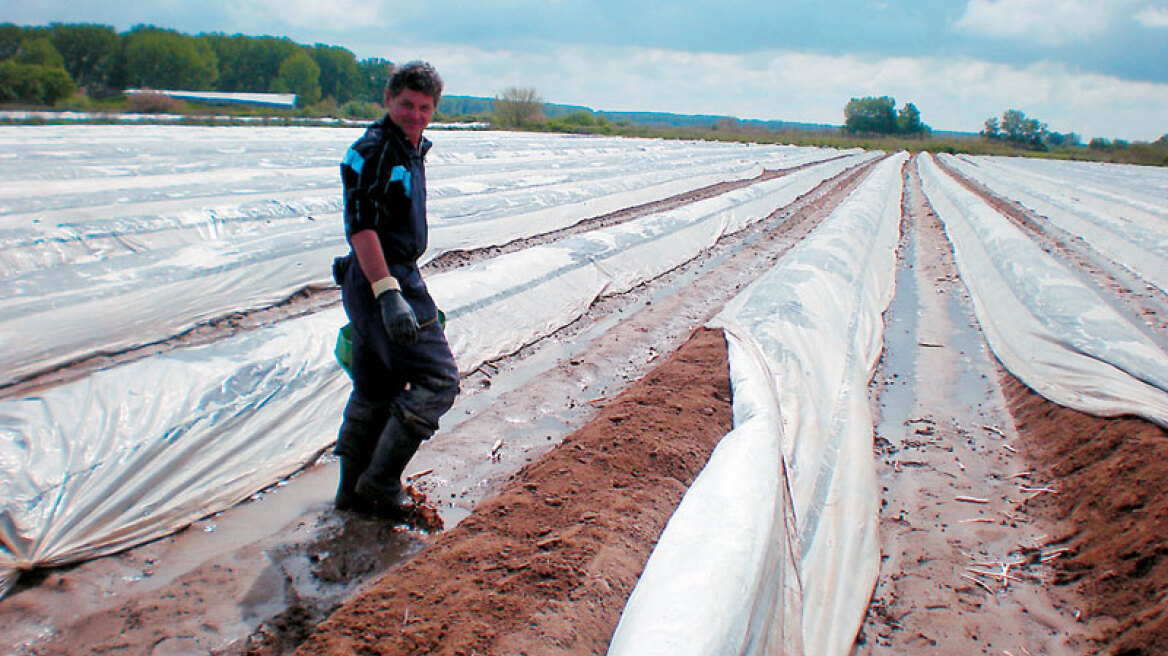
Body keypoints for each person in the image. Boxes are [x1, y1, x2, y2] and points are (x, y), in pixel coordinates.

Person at [332, 61, 459, 518]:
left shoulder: (409, 149)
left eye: (425, 107)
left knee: (375, 386)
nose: (416, 114)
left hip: (380, 278)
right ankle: (381, 484)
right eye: (407, 104)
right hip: (382, 276)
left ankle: (351, 494)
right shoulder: (372, 150)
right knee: (439, 379)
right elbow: (361, 228)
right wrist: (389, 294)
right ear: (388, 100)